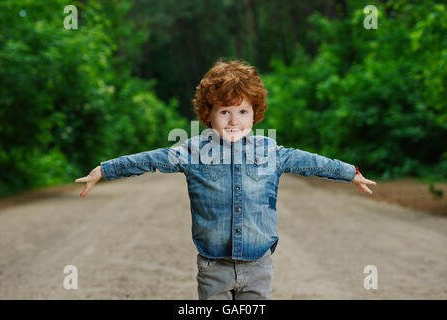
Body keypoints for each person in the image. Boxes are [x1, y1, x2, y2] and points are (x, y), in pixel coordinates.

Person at [75, 58, 377, 300]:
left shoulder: (270, 151)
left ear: (255, 112)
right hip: (213, 265)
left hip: (259, 265)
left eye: (243, 111)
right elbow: (151, 159)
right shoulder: (193, 151)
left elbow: (311, 162)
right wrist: (105, 169)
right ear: (209, 114)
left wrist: (350, 172)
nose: (234, 120)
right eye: (225, 111)